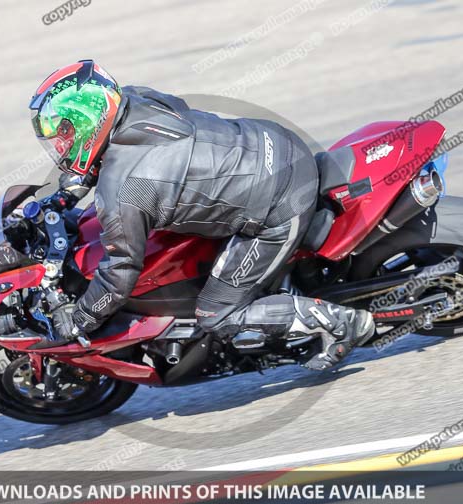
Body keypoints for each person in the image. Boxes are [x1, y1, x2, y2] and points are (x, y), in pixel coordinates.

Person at [28, 60, 374, 370]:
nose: (60, 145)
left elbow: (120, 274)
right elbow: (170, 116)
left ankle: (342, 322)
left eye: (65, 132)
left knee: (217, 314)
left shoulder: (122, 194)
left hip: (278, 206)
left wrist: (80, 319)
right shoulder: (136, 99)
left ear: (91, 120)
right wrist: (71, 189)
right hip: (276, 143)